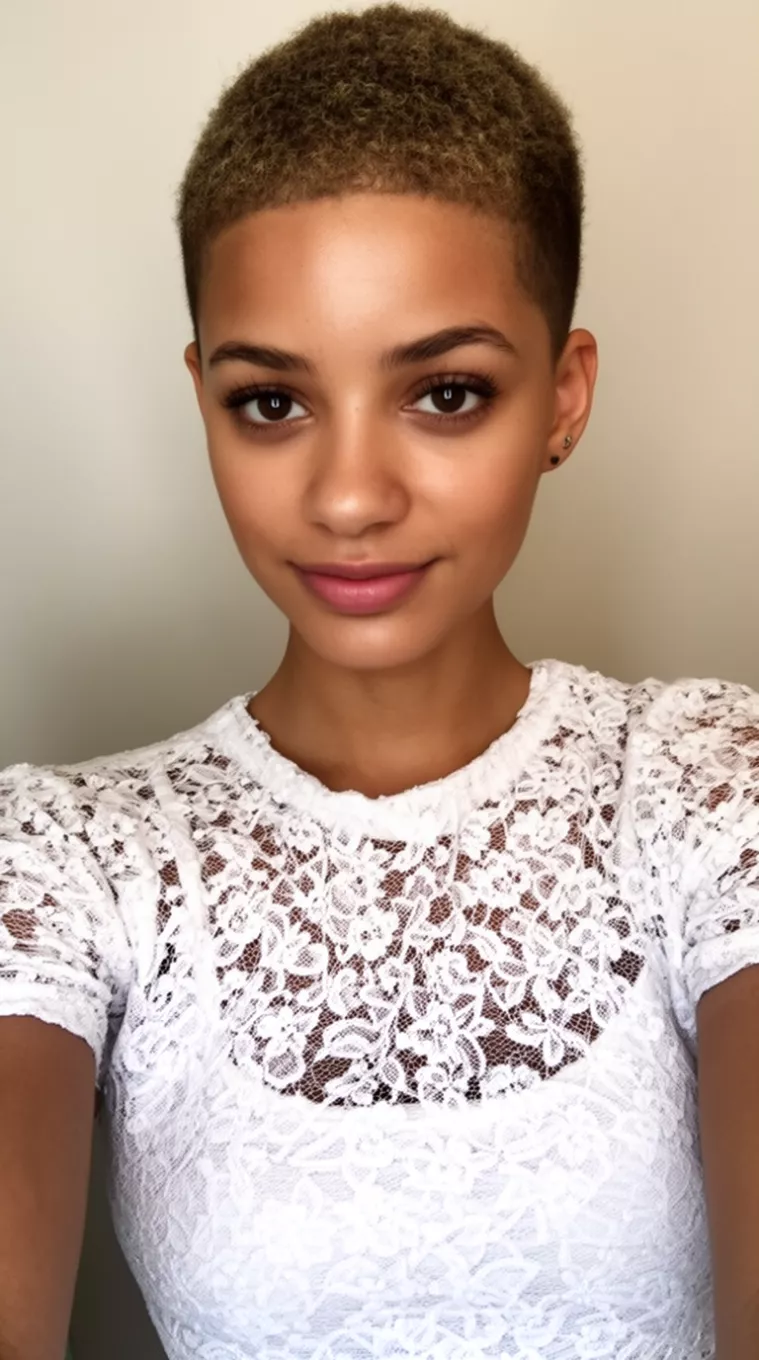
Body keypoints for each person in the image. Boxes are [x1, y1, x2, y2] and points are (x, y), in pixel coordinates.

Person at [1, 4, 758, 1358]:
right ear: (202, 401)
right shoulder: (70, 859)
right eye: (271, 403)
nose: (348, 497)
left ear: (563, 397)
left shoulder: (708, 787)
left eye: (445, 393)